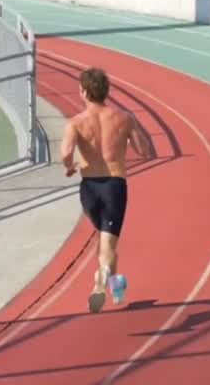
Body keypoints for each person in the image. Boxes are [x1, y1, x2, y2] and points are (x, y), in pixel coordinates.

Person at [60, 67, 156, 312]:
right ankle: (100, 282)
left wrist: (70, 166)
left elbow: (65, 154)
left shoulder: (76, 123)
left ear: (82, 92)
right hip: (114, 186)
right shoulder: (124, 118)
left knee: (104, 241)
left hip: (89, 189)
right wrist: (131, 130)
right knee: (108, 246)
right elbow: (146, 150)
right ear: (106, 91)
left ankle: (116, 284)